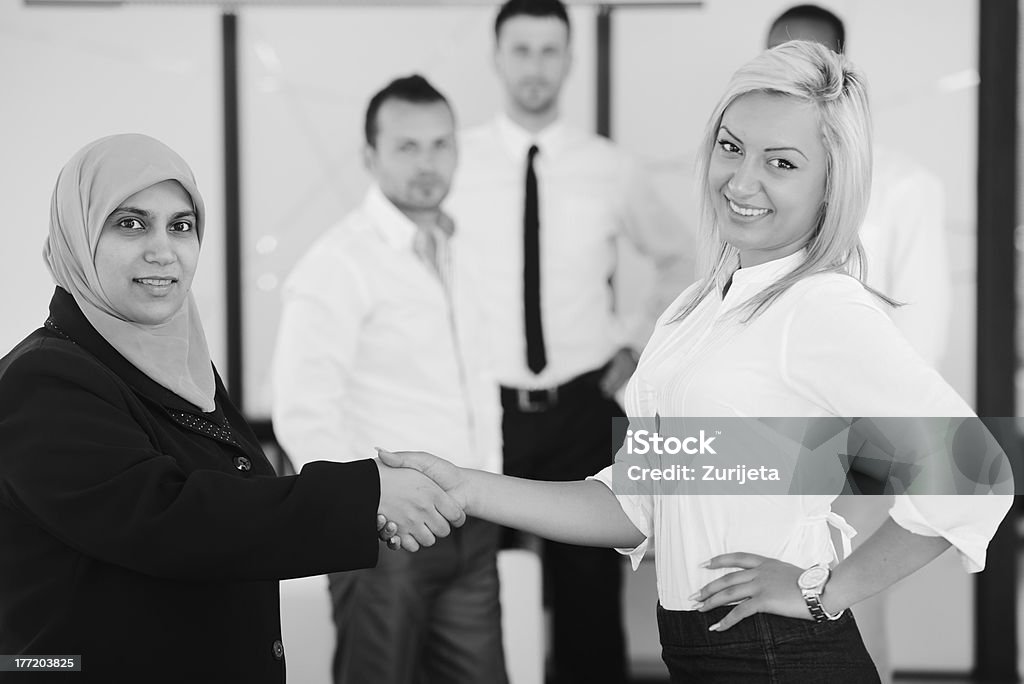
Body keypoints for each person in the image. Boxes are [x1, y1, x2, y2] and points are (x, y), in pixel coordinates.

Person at [380, 41, 1013, 682]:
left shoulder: (822, 309)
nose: (741, 181)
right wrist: (470, 487)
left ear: (831, 184)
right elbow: (637, 502)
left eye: (782, 163)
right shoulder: (697, 309)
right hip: (700, 653)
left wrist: (823, 588)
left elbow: (975, 477)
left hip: (777, 657)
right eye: (731, 147)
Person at [0, 133, 464, 684]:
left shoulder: (173, 365)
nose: (162, 249)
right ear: (78, 236)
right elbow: (172, 520)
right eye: (129, 223)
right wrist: (368, 495)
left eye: (181, 225)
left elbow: (236, 499)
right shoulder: (43, 379)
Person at [444, 1, 694, 680]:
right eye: (521, 51)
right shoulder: (456, 163)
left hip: (581, 405)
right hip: (483, 410)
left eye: (549, 51)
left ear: (570, 60)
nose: (535, 67)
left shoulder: (610, 167)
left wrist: (635, 346)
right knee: (471, 589)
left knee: (587, 594)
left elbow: (680, 257)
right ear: (497, 58)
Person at [271, 75, 507, 684]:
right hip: (385, 537)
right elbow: (302, 412)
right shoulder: (339, 262)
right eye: (407, 147)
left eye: (440, 145)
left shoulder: (462, 247)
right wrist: (370, 508)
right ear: (370, 156)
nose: (428, 164)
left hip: (471, 523)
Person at [767, 7, 954, 680]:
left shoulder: (903, 184)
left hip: (859, 439)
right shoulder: (754, 188)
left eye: (810, 63)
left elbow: (922, 334)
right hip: (764, 434)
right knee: (761, 603)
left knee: (845, 599)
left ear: (841, 72)